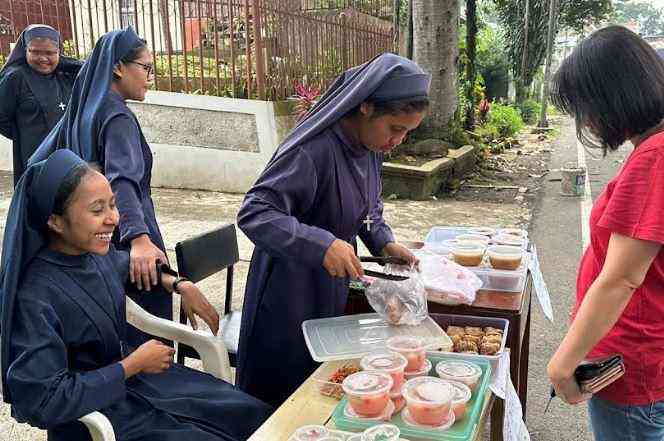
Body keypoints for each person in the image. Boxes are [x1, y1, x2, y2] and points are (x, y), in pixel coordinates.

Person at [0, 149, 272, 441]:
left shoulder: (94, 255)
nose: (113, 219)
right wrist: (130, 366)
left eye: (113, 205)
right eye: (97, 210)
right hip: (97, 416)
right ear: (55, 222)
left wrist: (178, 283)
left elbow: (130, 267)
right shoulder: (35, 297)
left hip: (143, 386)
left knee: (254, 414)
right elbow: (43, 400)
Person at [236, 53, 431, 406]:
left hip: (330, 285)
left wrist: (385, 242)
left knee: (322, 386)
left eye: (407, 132)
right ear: (366, 107)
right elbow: (255, 212)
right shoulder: (313, 151)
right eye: (396, 129)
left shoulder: (370, 148)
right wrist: (322, 244)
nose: (397, 141)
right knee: (284, 394)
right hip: (287, 293)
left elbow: (369, 208)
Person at [547, 26, 664, 441]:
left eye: (584, 107)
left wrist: (563, 364)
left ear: (611, 97)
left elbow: (621, 278)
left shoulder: (654, 158)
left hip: (632, 364)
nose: (586, 121)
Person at [30, 27, 173, 346]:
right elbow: (122, 181)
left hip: (96, 239)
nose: (150, 77)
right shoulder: (117, 115)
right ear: (119, 67)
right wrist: (139, 239)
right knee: (148, 340)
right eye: (146, 68)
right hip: (126, 242)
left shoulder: (86, 110)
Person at [0, 24, 82, 186]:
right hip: (33, 155)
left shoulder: (67, 75)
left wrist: (65, 63)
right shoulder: (15, 77)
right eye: (35, 52)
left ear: (60, 52)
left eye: (50, 53)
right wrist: (24, 131)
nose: (43, 58)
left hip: (70, 154)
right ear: (25, 51)